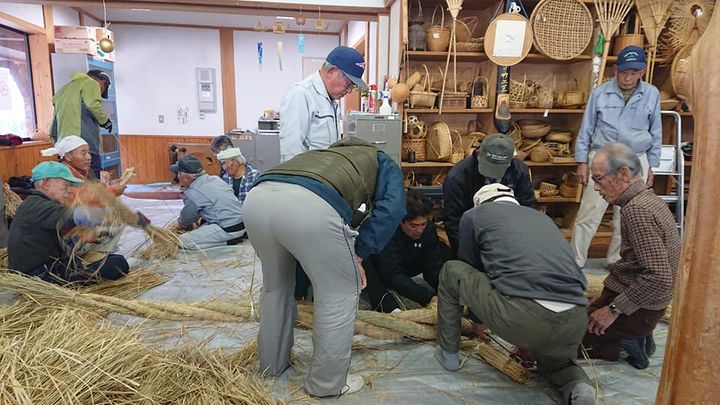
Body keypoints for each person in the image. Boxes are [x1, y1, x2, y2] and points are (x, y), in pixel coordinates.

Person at [243, 136, 405, 397]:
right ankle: (327, 384)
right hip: (308, 205)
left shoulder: (319, 155)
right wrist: (360, 254)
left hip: (256, 200)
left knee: (275, 288)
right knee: (339, 291)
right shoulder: (380, 159)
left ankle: (270, 366)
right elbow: (393, 210)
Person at [434, 183, 594, 405]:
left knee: (452, 271)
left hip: (523, 317)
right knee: (556, 364)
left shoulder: (474, 215)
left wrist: (478, 320)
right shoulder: (542, 219)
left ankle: (448, 354)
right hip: (574, 320)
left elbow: (471, 266)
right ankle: (579, 387)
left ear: (479, 203)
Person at [581, 143, 679, 370]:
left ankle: (628, 340)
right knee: (576, 315)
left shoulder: (637, 210)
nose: (596, 188)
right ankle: (634, 334)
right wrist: (607, 294)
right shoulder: (648, 199)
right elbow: (639, 266)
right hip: (642, 302)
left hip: (641, 309)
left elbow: (659, 277)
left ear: (624, 174)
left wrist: (613, 309)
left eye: (598, 179)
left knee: (559, 341)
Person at [571, 45, 662, 268]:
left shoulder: (652, 94)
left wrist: (652, 166)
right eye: (624, 72)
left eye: (634, 73)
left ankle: (617, 262)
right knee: (590, 212)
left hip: (635, 160)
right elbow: (586, 129)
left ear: (641, 72)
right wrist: (582, 161)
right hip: (603, 158)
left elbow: (656, 132)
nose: (628, 78)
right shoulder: (599, 93)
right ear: (615, 69)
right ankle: (575, 262)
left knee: (627, 216)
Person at [7, 161, 134, 284]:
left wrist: (82, 238)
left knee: (110, 260)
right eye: (65, 185)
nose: (68, 190)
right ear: (46, 183)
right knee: (117, 264)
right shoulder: (40, 206)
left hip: (41, 269)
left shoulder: (34, 203)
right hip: (40, 276)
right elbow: (79, 216)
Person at [442, 133, 536, 255]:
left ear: (511, 160)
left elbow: (528, 208)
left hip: (510, 232)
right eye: (488, 167)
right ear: (477, 153)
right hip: (473, 233)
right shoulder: (457, 177)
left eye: (498, 169)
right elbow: (453, 221)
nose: (492, 174)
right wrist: (466, 254)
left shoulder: (519, 170)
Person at [362, 189, 450, 313]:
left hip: (409, 261)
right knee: (365, 260)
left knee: (444, 252)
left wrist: (445, 293)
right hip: (381, 265)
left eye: (423, 224)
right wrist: (427, 297)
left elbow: (432, 266)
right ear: (400, 221)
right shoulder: (387, 229)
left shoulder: (428, 229)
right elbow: (392, 275)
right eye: (414, 226)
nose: (420, 230)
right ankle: (387, 305)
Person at [278, 46, 368, 162]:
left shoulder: (332, 101)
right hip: (307, 176)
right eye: (349, 84)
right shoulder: (301, 94)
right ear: (332, 71)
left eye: (353, 86)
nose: (350, 90)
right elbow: (291, 148)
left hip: (325, 173)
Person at [172, 156, 246, 250]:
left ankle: (227, 242)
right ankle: (230, 238)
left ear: (186, 177)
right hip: (243, 223)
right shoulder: (215, 179)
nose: (177, 177)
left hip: (228, 228)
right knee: (202, 226)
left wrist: (179, 225)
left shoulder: (192, 193)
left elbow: (186, 220)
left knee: (181, 242)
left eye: (178, 173)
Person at [50, 70, 113, 179]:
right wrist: (105, 121)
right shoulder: (90, 83)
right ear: (101, 81)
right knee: (93, 184)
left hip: (66, 148)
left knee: (72, 182)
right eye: (103, 88)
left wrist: (58, 145)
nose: (101, 93)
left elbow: (54, 124)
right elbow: (93, 105)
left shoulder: (62, 91)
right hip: (84, 145)